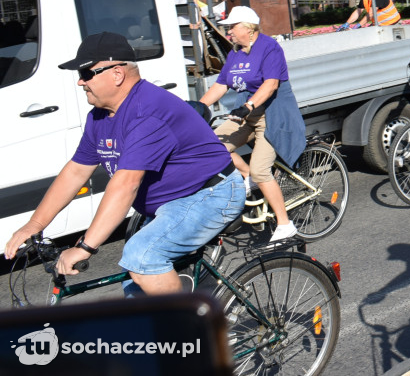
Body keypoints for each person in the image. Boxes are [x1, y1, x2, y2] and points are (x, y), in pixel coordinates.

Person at [3, 32, 245, 294]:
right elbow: (76, 172)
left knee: (142, 257)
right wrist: (35, 225)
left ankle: (195, 328)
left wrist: (85, 247)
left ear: (117, 73)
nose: (80, 82)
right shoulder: (99, 116)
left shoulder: (147, 112)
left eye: (86, 73)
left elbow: (125, 184)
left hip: (209, 194)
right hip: (170, 203)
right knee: (135, 293)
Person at [199, 6, 306, 242]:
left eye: (232, 28)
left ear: (248, 28)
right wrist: (197, 107)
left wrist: (248, 106)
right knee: (210, 146)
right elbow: (220, 85)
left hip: (271, 115)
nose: (228, 33)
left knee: (261, 170)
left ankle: (285, 224)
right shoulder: (236, 53)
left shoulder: (269, 48)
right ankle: (246, 174)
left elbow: (270, 85)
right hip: (246, 114)